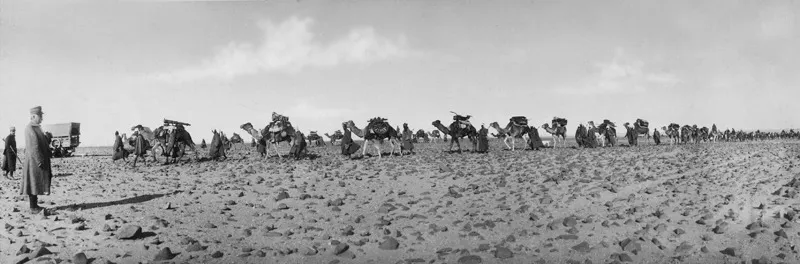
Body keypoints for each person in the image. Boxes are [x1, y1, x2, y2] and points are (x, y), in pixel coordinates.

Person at [20, 106, 52, 214]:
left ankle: (35, 205)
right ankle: (33, 207)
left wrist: (47, 138)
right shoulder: (30, 128)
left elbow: (41, 143)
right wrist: (39, 161)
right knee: (33, 183)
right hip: (33, 162)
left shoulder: (37, 128)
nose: (42, 118)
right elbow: (34, 146)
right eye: (40, 116)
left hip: (36, 161)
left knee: (36, 182)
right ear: (33, 116)